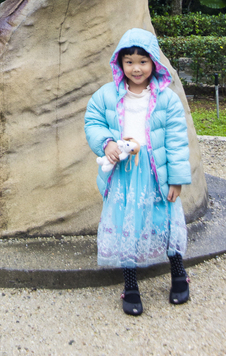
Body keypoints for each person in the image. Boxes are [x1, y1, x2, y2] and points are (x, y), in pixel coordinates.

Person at [84, 27, 191, 316]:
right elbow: (93, 121)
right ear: (119, 63)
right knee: (126, 224)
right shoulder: (106, 95)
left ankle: (179, 274)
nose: (136, 68)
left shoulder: (167, 99)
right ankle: (130, 285)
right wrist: (105, 143)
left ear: (154, 62)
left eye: (143, 61)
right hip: (124, 174)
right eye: (129, 61)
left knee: (166, 221)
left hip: (157, 172)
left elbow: (177, 140)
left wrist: (178, 179)